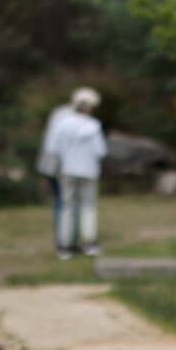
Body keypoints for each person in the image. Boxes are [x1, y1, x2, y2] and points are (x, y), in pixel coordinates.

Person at [40, 87, 106, 258]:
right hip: (89, 171)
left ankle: (64, 246)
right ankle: (89, 243)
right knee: (88, 207)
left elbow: (52, 148)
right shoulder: (93, 125)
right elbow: (100, 151)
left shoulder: (62, 124)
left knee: (66, 207)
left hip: (67, 170)